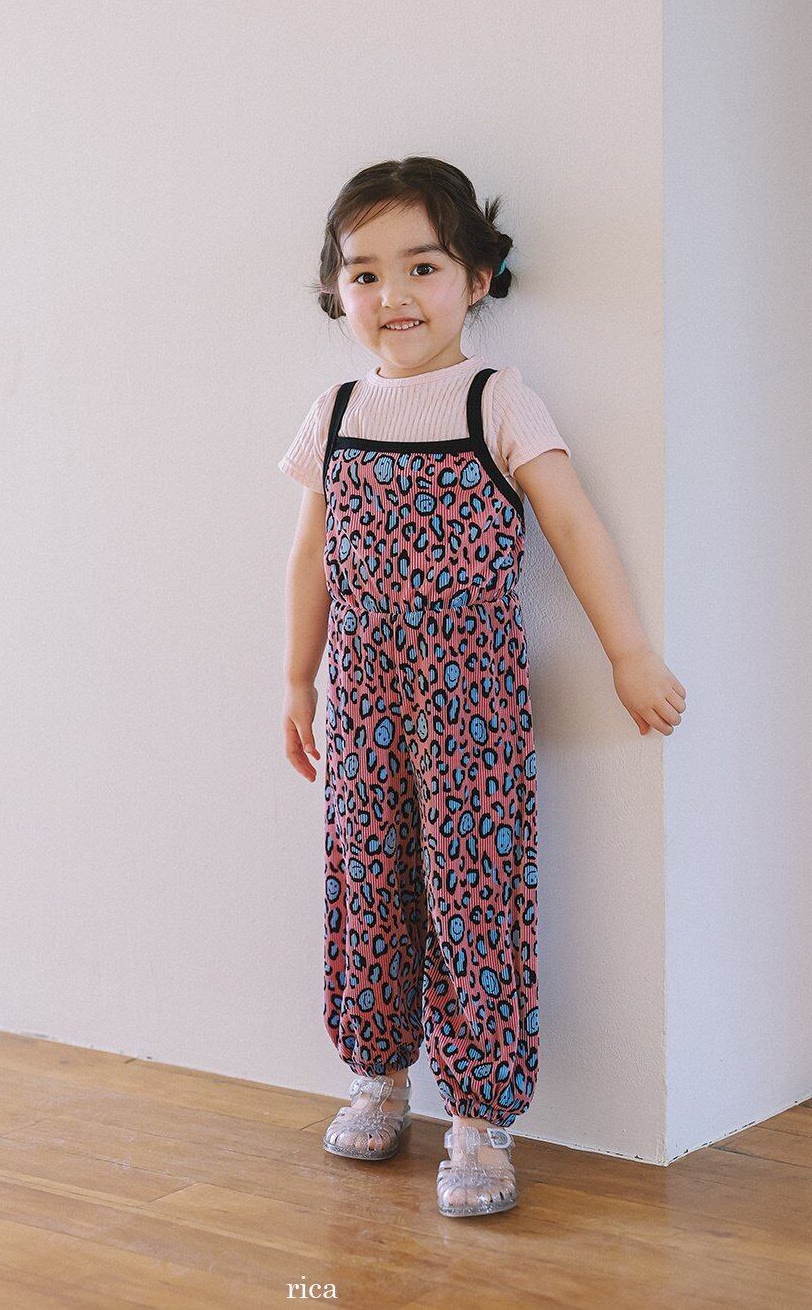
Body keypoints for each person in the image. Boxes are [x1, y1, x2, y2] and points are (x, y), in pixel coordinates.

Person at [279, 157, 687, 1218]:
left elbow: (574, 526)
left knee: (476, 893)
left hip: (474, 699)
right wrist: (297, 679)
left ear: (476, 278)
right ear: (335, 290)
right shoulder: (334, 411)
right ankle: (377, 1073)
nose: (393, 294)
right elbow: (310, 556)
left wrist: (628, 653)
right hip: (362, 696)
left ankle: (478, 1115)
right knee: (368, 880)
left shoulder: (494, 400)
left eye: (422, 266)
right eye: (365, 273)